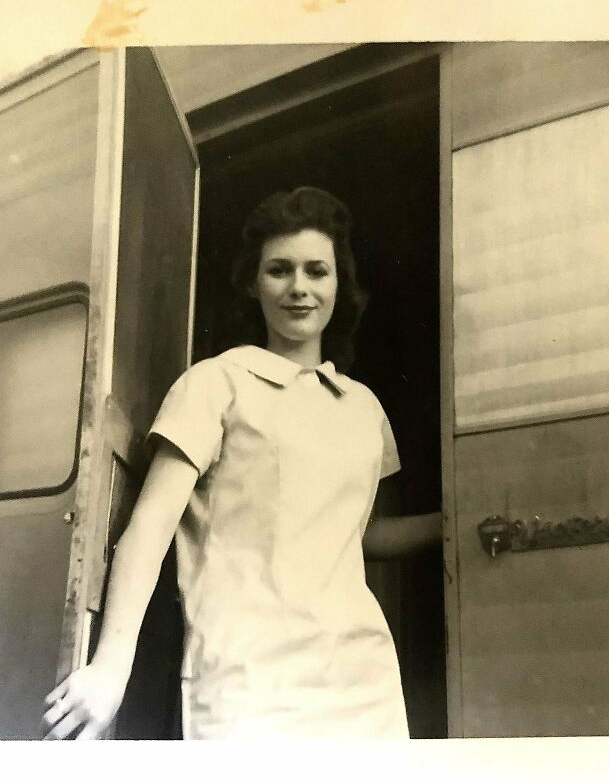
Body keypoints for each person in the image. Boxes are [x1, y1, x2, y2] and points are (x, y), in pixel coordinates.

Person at [41, 186, 442, 740]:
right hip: (248, 681)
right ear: (254, 283)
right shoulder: (216, 382)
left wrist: (456, 525)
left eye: (316, 271)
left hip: (361, 679)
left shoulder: (363, 407)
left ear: (338, 285)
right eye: (279, 270)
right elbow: (150, 529)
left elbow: (361, 532)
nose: (299, 287)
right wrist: (111, 669)